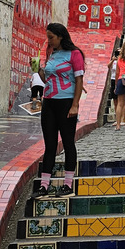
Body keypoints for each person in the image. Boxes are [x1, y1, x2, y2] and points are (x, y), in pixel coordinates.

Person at [37, 23, 86, 196]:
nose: (48, 40)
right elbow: (46, 79)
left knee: (67, 142)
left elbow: (79, 81)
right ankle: (44, 185)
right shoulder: (52, 54)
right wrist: (37, 69)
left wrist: (75, 104)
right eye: (47, 37)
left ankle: (68, 184)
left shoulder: (75, 54)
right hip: (49, 102)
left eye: (51, 37)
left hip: (66, 102)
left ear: (61, 36)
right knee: (50, 145)